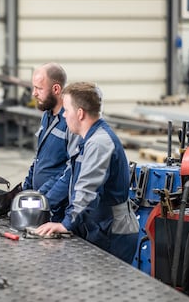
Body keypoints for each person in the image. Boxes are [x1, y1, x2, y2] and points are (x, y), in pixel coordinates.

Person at [34, 81, 139, 264]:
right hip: (99, 226)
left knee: (108, 288)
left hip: (113, 232)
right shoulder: (88, 139)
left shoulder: (99, 143)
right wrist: (41, 201)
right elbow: (70, 176)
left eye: (66, 110)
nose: (64, 116)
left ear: (80, 113)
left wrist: (65, 224)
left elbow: (87, 190)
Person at [23, 63, 80, 221]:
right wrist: (24, 191)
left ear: (56, 89)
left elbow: (71, 170)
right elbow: (38, 159)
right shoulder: (46, 116)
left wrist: (44, 200)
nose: (34, 93)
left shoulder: (70, 122)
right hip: (41, 204)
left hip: (57, 210)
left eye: (39, 89)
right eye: (33, 88)